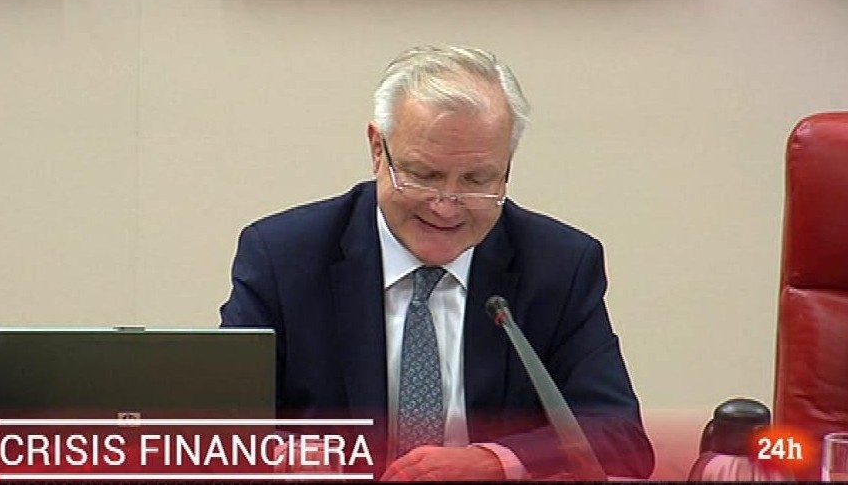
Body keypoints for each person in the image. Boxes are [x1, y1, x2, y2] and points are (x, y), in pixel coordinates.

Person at [220, 45, 654, 480]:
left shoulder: (558, 264)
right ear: (377, 150)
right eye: (423, 176)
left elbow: (620, 439)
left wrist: (495, 463)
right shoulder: (285, 257)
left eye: (476, 180)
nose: (446, 206)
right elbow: (214, 431)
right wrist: (287, 457)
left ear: (506, 168)